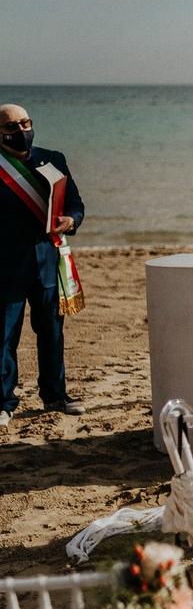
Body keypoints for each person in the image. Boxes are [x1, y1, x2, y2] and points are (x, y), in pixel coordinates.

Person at [1, 103, 86, 428]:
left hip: (46, 263)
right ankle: (4, 403)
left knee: (51, 332)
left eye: (25, 123)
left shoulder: (54, 159)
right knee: (5, 338)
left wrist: (71, 220)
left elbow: (75, 203)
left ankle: (55, 396)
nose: (21, 131)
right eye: (11, 127)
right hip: (5, 267)